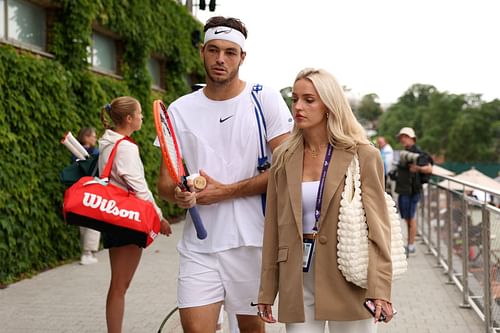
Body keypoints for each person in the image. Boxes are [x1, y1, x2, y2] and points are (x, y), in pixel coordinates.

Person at [157, 16, 292, 333]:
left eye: (230, 52)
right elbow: (165, 181)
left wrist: (225, 191)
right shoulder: (179, 109)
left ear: (242, 57)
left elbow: (287, 172)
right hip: (199, 247)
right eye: (214, 50)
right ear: (202, 51)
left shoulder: (265, 99)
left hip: (252, 245)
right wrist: (177, 194)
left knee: (251, 331)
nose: (221, 59)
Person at [257, 68, 394, 332]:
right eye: (295, 98)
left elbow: (379, 229)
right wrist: (266, 290)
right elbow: (273, 226)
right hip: (297, 276)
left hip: (349, 274)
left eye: (309, 100)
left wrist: (380, 288)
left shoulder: (363, 154)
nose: (298, 106)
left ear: (329, 105)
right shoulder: (283, 158)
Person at [98, 96, 172, 333]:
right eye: (139, 113)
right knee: (120, 285)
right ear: (129, 119)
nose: (142, 117)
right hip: (126, 220)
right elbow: (140, 188)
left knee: (119, 284)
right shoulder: (125, 148)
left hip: (113, 217)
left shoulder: (108, 143)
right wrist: (159, 218)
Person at [394, 127, 433, 257]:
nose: (402, 139)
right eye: (401, 137)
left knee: (411, 218)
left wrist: (418, 168)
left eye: (404, 136)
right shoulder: (404, 152)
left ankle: (411, 245)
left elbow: (429, 169)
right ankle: (410, 244)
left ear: (411, 138)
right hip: (403, 189)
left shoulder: (419, 153)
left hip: (413, 190)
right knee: (406, 217)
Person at [74, 127, 101, 265]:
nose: (95, 138)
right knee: (92, 220)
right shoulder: (95, 153)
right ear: (86, 137)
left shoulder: (76, 154)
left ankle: (86, 252)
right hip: (91, 189)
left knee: (85, 221)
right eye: (93, 136)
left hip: (79, 190)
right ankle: (87, 253)